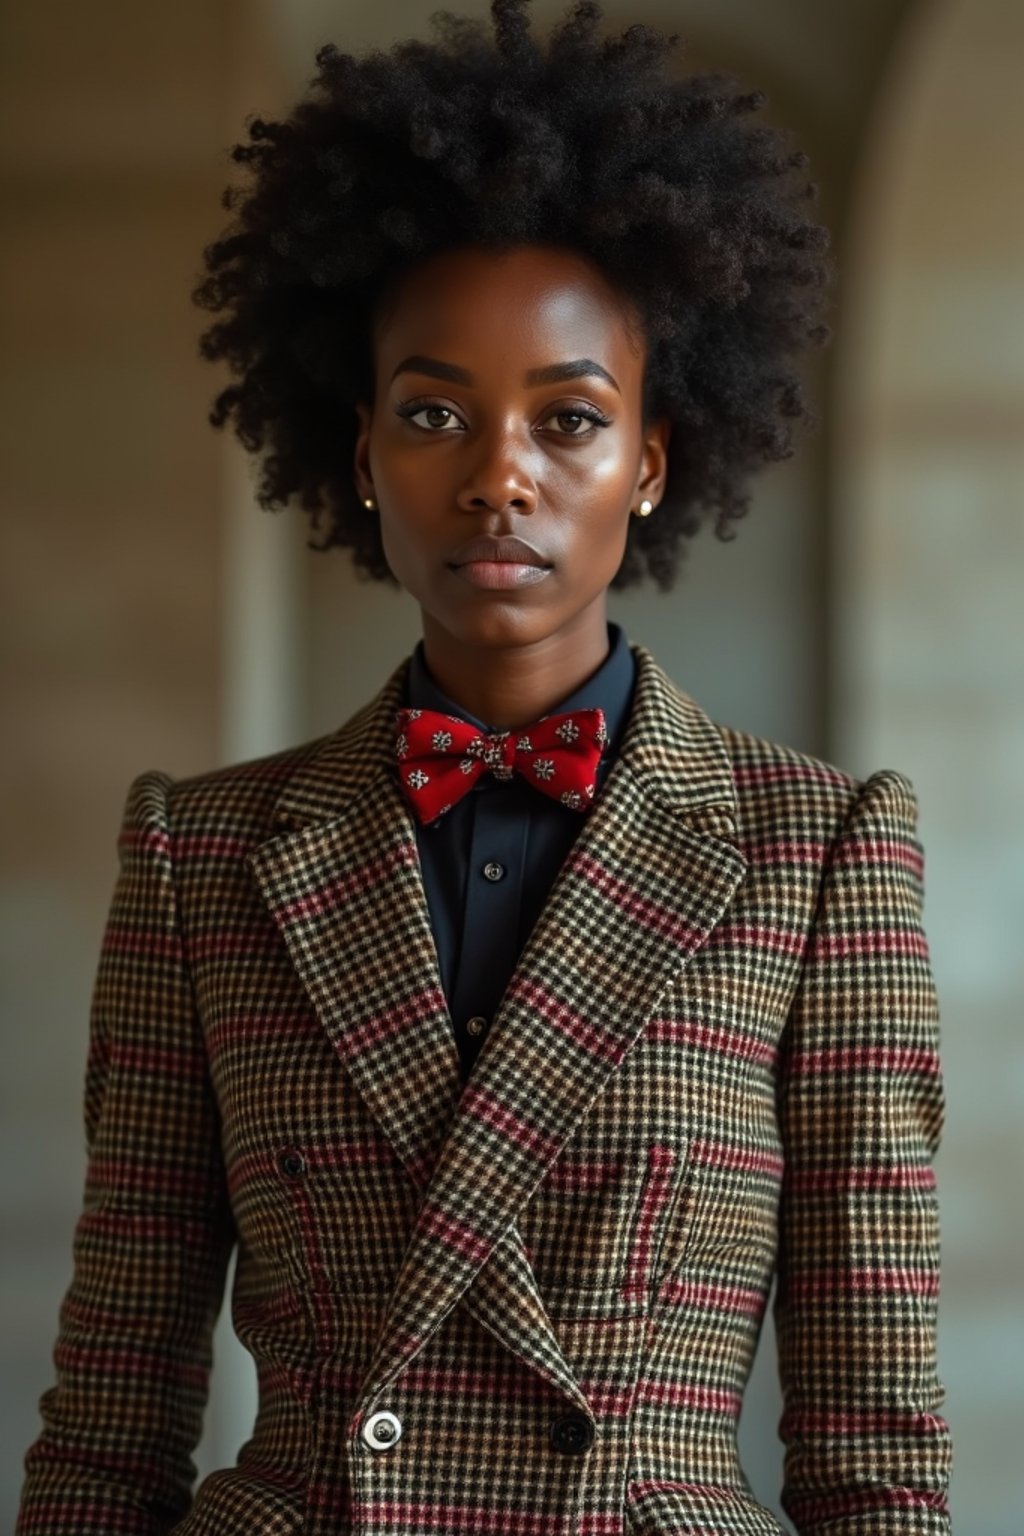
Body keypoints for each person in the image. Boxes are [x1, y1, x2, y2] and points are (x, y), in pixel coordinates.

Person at [17, 2, 952, 1533]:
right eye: (435, 412)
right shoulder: (203, 851)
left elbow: (872, 1450)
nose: (500, 472)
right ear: (365, 448)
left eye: (570, 419)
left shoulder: (821, 850)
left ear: (651, 458)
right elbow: (115, 1413)